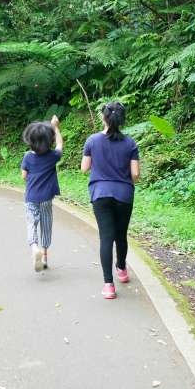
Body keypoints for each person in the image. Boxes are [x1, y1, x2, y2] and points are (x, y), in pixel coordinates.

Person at [81, 101, 140, 299]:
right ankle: (121, 270)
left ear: (103, 117)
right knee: (121, 235)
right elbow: (135, 174)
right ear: (122, 119)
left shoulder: (92, 140)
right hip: (124, 194)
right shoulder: (130, 143)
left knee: (106, 237)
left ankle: (108, 286)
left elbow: (84, 168)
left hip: (100, 194)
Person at [21, 116, 63, 273]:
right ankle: (44, 256)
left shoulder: (28, 157)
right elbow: (60, 144)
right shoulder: (52, 156)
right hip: (46, 198)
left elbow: (24, 176)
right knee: (46, 225)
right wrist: (56, 127)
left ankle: (34, 248)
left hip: (31, 197)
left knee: (32, 223)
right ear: (49, 140)